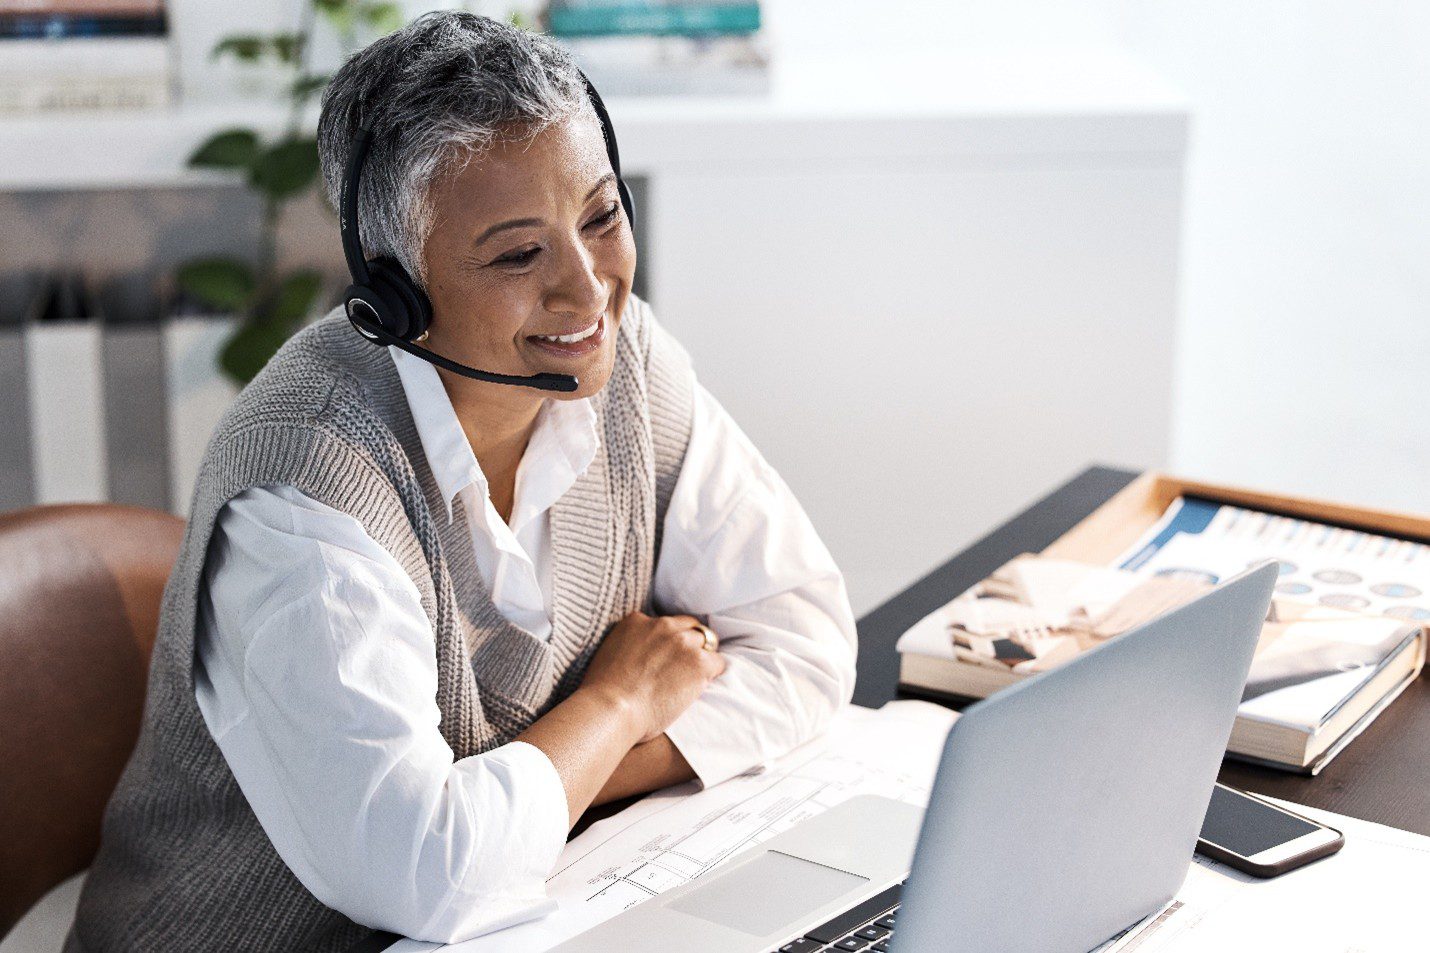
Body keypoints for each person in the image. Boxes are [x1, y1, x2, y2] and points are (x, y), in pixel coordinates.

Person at [67, 12, 855, 952]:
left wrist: (548, 785)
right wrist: (618, 703)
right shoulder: (303, 495)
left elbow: (805, 643)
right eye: (519, 254)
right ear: (394, 292)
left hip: (545, 908)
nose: (588, 288)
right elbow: (434, 879)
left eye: (600, 217)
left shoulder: (626, 364)